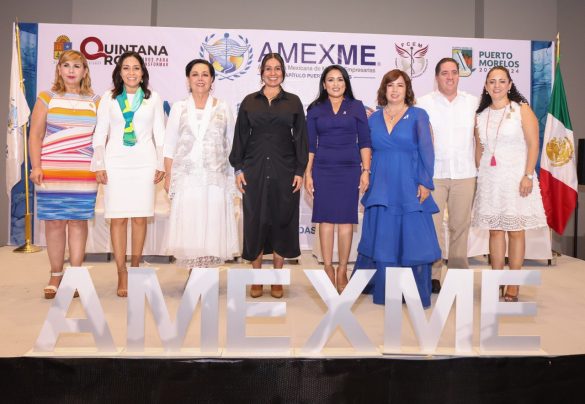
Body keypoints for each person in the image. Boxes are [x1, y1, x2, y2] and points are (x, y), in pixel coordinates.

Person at [352, 69, 441, 308]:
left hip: (409, 184)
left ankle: (413, 291)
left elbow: (427, 150)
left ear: (407, 89)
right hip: (381, 185)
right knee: (384, 237)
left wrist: (425, 182)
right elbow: (366, 150)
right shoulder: (373, 119)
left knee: (412, 238)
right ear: (384, 89)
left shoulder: (418, 115)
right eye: (390, 85)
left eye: (400, 85)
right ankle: (385, 290)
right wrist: (365, 172)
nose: (395, 90)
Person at [229, 52, 308, 299]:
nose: (273, 73)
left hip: (285, 172)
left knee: (282, 221)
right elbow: (240, 137)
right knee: (255, 221)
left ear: (283, 72)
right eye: (268, 69)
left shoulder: (293, 102)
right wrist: (238, 168)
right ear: (261, 72)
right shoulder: (249, 102)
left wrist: (300, 170)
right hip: (254, 171)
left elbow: (301, 139)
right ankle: (256, 279)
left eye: (277, 68)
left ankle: (276, 279)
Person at [92, 51, 165, 297]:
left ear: (143, 72)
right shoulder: (109, 98)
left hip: (144, 162)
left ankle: (135, 268)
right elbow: (100, 132)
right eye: (126, 68)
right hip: (115, 163)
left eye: (136, 68)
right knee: (118, 218)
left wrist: (161, 163)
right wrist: (99, 163)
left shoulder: (153, 98)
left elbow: (160, 133)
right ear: (119, 72)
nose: (131, 72)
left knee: (140, 218)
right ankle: (121, 272)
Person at [29, 50, 100, 299]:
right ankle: (55, 275)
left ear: (85, 71)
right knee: (55, 222)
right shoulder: (46, 98)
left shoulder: (96, 101)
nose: (71, 70)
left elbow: (101, 139)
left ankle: (76, 276)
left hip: (83, 171)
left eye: (77, 66)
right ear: (59, 69)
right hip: (52, 170)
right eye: (66, 65)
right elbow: (36, 135)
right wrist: (36, 166)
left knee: (78, 222)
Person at [472, 66, 546, 302]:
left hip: (516, 179)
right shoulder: (480, 115)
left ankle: (513, 283)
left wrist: (528, 175)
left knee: (515, 231)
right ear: (486, 86)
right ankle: (497, 280)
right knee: (495, 230)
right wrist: (481, 175)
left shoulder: (521, 110)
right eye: (492, 81)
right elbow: (479, 149)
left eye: (502, 81)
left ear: (510, 85)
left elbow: (533, 144)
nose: (497, 86)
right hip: (490, 180)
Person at [163, 59, 239, 267]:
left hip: (215, 178)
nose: (200, 79)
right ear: (188, 79)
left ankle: (207, 275)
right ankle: (193, 274)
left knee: (212, 226)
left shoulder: (223, 107)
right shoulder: (179, 107)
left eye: (205, 74)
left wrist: (233, 176)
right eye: (195, 74)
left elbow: (232, 144)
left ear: (212, 79)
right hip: (186, 178)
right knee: (190, 226)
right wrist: (168, 175)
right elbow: (169, 145)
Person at [304, 65, 371, 293]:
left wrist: (366, 170)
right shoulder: (315, 109)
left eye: (340, 79)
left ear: (346, 83)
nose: (335, 84)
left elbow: (364, 141)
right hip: (322, 169)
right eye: (331, 80)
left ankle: (342, 269)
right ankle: (328, 268)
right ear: (324, 84)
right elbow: (310, 145)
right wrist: (308, 173)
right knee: (325, 221)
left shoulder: (356, 106)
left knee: (345, 221)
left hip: (349, 169)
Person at [417, 58, 479, 293]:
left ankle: (458, 275)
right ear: (436, 77)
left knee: (460, 226)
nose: (450, 77)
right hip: (435, 175)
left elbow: (479, 138)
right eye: (444, 73)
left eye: (454, 72)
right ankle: (433, 275)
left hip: (465, 174)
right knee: (432, 227)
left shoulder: (473, 103)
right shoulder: (423, 103)